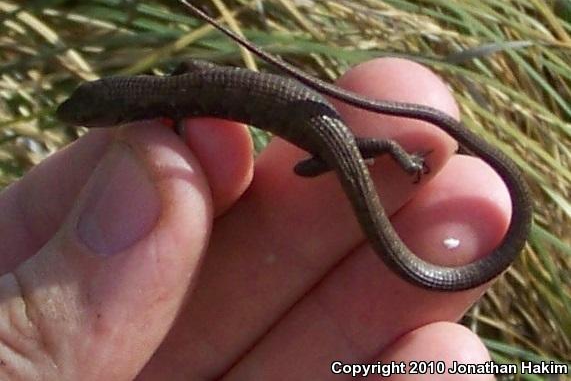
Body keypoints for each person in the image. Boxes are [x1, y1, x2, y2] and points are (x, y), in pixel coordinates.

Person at [0, 58, 506, 380]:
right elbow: (188, 66)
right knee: (328, 159)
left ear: (120, 115)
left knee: (329, 159)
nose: (79, 119)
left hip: (320, 133)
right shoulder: (177, 89)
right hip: (319, 130)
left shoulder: (174, 109)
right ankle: (400, 154)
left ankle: (396, 152)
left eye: (89, 117)